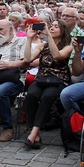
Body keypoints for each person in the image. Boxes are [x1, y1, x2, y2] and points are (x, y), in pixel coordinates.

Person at [22, 19, 73, 148]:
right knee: (31, 95)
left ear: (63, 30)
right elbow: (27, 59)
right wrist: (29, 39)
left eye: (56, 26)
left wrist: (48, 36)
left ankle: (33, 133)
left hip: (58, 80)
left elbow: (57, 56)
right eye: (51, 26)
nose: (52, 28)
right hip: (42, 78)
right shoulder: (41, 46)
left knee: (47, 97)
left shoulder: (68, 46)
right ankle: (36, 134)